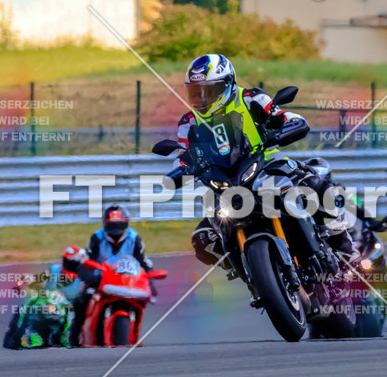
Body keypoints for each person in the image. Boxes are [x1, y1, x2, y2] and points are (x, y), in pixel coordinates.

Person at [174, 54, 356, 277]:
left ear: (227, 84)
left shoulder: (250, 98)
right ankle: (251, 272)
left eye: (209, 91)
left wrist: (290, 125)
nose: (202, 98)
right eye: (195, 92)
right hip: (222, 180)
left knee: (313, 181)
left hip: (267, 163)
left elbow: (281, 115)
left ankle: (344, 247)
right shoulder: (188, 122)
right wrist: (181, 168)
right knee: (202, 240)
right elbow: (183, 154)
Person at [67, 205, 154, 344]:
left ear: (126, 223)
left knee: (143, 299)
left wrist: (150, 281)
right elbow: (87, 260)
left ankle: (135, 334)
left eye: (119, 224)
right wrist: (90, 277)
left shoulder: (134, 238)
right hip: (101, 280)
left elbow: (143, 262)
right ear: (105, 223)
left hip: (127, 281)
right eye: (112, 225)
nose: (116, 230)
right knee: (81, 300)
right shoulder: (97, 237)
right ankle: (74, 337)